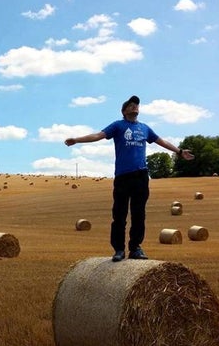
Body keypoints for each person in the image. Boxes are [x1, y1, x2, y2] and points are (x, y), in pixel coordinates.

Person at [64, 95, 195, 262]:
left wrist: (179, 151)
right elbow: (98, 135)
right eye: (131, 105)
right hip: (122, 176)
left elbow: (161, 141)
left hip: (141, 176)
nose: (135, 107)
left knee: (139, 214)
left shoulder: (145, 128)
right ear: (124, 111)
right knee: (119, 215)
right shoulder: (118, 126)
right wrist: (77, 139)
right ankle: (119, 249)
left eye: (136, 105)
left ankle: (135, 248)